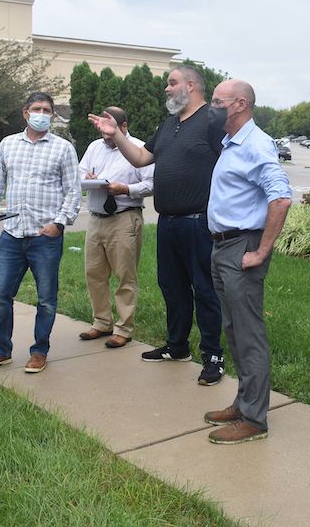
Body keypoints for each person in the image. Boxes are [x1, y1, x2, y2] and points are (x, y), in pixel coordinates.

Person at [87, 66, 227, 386]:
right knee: (172, 287)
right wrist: (116, 134)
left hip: (200, 222)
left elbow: (234, 161)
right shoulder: (168, 126)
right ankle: (177, 346)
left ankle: (213, 355)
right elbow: (139, 158)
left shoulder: (213, 121)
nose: (166, 88)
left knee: (204, 290)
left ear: (191, 86)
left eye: (172, 83)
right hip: (168, 221)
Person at [202, 79, 292, 444]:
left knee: (249, 332)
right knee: (234, 330)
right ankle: (243, 402)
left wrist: (261, 250)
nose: (212, 107)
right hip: (223, 247)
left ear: (239, 104)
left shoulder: (255, 144)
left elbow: (282, 198)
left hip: (242, 247)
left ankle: (254, 419)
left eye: (217, 101)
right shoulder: (230, 144)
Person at [0, 91, 81, 375]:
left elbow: (73, 191)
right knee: (2, 296)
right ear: (25, 113)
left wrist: (58, 224)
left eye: (47, 110)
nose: (42, 114)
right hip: (12, 235)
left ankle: (39, 351)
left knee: (46, 298)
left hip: (45, 237)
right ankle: (1, 350)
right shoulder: (8, 145)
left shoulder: (63, 148)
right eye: (37, 109)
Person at [77, 106, 155, 348]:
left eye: (111, 134)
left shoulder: (140, 148)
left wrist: (126, 189)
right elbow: (80, 172)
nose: (106, 138)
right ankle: (101, 321)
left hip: (124, 217)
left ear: (123, 127)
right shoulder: (94, 147)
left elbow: (152, 184)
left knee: (125, 275)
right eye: (103, 133)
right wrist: (88, 179)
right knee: (94, 273)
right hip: (96, 217)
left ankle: (124, 327)